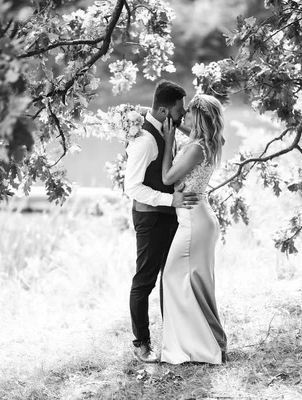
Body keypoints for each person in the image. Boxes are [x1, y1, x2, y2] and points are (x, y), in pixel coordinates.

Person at [124, 80, 200, 363]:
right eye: (180, 110)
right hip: (151, 217)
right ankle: (141, 344)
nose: (184, 115)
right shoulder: (144, 141)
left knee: (171, 279)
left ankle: (175, 340)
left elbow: (198, 132)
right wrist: (172, 200)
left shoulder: (164, 127)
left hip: (169, 215)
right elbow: (132, 187)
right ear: (164, 110)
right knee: (145, 281)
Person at [160, 93, 227, 364]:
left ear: (197, 119)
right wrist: (177, 127)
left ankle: (200, 345)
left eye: (189, 113)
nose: (184, 116)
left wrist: (167, 142)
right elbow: (200, 130)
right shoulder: (213, 142)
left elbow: (167, 178)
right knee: (199, 284)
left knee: (173, 278)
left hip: (193, 222)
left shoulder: (196, 148)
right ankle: (208, 343)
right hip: (200, 219)